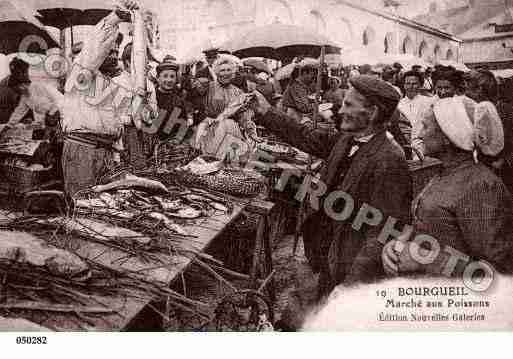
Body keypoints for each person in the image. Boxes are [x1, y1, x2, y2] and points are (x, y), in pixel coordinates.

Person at [251, 75, 412, 296]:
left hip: (348, 264)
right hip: (326, 253)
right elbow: (305, 136)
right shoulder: (347, 138)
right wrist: (266, 111)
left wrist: (351, 286)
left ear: (372, 113)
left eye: (348, 105)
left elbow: (383, 232)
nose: (340, 111)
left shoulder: (390, 158)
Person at [382, 96, 513, 277]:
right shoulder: (444, 173)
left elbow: (498, 271)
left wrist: (427, 261)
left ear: (447, 136)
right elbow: (431, 226)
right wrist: (397, 245)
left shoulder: (480, 186)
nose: (420, 134)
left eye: (426, 126)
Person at [60, 0, 141, 197]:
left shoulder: (110, 84)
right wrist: (115, 19)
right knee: (85, 205)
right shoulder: (82, 75)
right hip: (83, 152)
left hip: (105, 152)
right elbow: (94, 49)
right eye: (108, 52)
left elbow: (118, 121)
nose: (113, 55)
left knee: (104, 206)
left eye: (115, 51)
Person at [193, 57, 258, 159]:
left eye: (228, 70)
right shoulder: (208, 87)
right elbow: (193, 101)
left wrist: (251, 131)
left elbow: (243, 115)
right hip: (209, 126)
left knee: (229, 127)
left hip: (231, 128)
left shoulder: (237, 92)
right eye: (222, 70)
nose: (226, 73)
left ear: (233, 73)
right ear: (217, 72)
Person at [112, 42, 158, 169]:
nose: (146, 65)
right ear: (128, 62)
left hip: (144, 133)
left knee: (143, 169)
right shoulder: (116, 82)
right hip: (123, 134)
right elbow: (112, 114)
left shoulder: (148, 84)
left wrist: (147, 110)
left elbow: (154, 113)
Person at [397, 71, 436, 159]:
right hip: (404, 146)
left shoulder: (429, 102)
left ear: (421, 85)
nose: (411, 87)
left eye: (414, 84)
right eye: (408, 83)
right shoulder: (398, 104)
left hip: (424, 145)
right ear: (403, 85)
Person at [153, 56, 192, 142]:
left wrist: (177, 140)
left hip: (168, 146)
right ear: (158, 78)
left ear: (176, 79)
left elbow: (183, 126)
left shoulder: (178, 101)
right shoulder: (151, 98)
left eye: (172, 76)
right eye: (165, 76)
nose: (169, 80)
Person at [0, 58, 31, 126]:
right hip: (9, 121)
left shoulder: (6, 81)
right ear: (17, 72)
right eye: (24, 72)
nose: (26, 74)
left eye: (26, 72)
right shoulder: (7, 86)